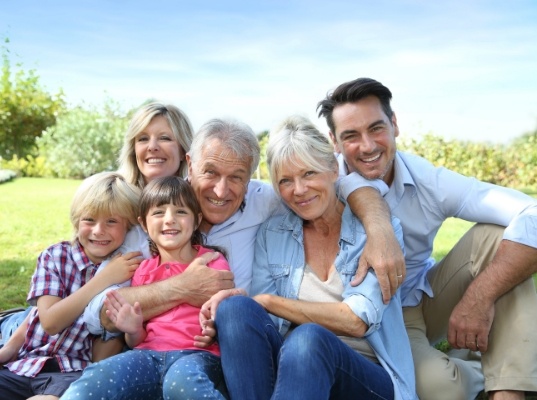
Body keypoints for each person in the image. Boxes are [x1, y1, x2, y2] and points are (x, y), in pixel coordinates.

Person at [317, 77, 537, 400]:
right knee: (442, 388)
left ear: (394, 125)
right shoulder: (319, 185)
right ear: (334, 142)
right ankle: (475, 365)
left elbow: (530, 212)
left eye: (376, 128)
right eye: (350, 136)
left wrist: (479, 296)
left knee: (498, 235)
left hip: (411, 306)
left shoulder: (429, 181)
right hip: (351, 318)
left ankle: (508, 388)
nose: (367, 146)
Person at [95, 117, 403, 338]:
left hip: (230, 349)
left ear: (251, 177)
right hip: (153, 350)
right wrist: (182, 288)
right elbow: (102, 317)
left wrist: (379, 228)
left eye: (236, 177)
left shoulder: (269, 201)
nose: (220, 190)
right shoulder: (150, 220)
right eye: (210, 173)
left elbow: (336, 184)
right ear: (190, 164)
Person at [201, 116, 416, 400]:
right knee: (235, 308)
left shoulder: (377, 235)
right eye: (286, 181)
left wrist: (267, 302)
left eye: (309, 174)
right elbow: (265, 323)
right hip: (295, 375)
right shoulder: (273, 233)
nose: (299, 190)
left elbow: (356, 321)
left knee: (308, 339)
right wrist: (242, 302)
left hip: (366, 377)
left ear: (332, 169)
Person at [62, 176, 230, 399]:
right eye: (159, 213)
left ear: (196, 219)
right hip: (147, 355)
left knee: (181, 383)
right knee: (98, 376)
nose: (169, 220)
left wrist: (214, 328)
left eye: (180, 212)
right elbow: (137, 339)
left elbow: (224, 309)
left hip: (197, 354)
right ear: (143, 224)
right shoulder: (143, 270)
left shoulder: (212, 261)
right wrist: (132, 329)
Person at [0, 172, 142, 399]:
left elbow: (106, 345)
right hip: (24, 364)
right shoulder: (56, 256)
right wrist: (7, 350)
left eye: (112, 221)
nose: (98, 230)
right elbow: (48, 320)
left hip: (70, 372)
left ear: (129, 226)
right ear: (76, 220)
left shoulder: (126, 270)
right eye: (89, 220)